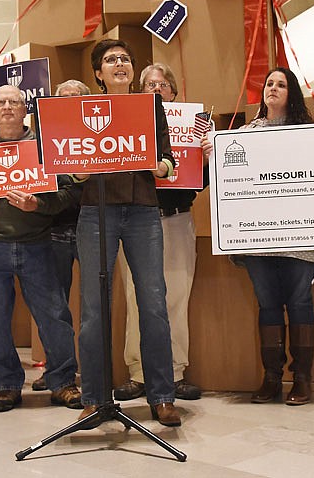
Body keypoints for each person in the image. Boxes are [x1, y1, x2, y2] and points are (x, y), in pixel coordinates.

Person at [0, 85, 82, 412]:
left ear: (26, 110)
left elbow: (70, 193)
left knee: (54, 316)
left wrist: (39, 204)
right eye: (1, 102)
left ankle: (63, 382)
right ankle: (7, 384)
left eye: (15, 101)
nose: (8, 107)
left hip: (38, 243)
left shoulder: (44, 146)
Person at [75, 40, 180, 427]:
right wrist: (78, 172)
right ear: (98, 74)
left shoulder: (151, 106)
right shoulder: (82, 110)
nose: (119, 63)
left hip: (142, 211)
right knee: (93, 309)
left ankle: (162, 396)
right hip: (95, 210)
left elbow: (169, 158)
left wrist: (161, 166)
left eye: (125, 58)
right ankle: (95, 399)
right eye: (110, 60)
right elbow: (70, 164)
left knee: (153, 302)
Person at [229, 67, 314, 405]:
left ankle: (302, 379)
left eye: (281, 84)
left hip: (301, 236)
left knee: (299, 301)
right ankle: (271, 378)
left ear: (292, 93)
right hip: (258, 237)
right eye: (269, 83)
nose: (272, 88)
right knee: (268, 304)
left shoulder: (309, 134)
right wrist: (214, 154)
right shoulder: (243, 135)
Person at [114, 63, 207, 402]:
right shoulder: (129, 121)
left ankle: (175, 370)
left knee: (177, 296)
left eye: (162, 84)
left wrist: (206, 157)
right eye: (149, 84)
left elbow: (201, 181)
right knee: (136, 296)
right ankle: (138, 373)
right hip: (138, 218)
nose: (155, 89)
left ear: (173, 91)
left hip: (177, 217)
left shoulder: (192, 127)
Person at [31, 79, 90, 393]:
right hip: (52, 230)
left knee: (94, 305)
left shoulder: (97, 131)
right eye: (62, 97)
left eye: (76, 97)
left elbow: (75, 183)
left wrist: (66, 183)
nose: (68, 101)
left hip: (90, 227)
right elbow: (43, 178)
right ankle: (58, 371)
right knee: (54, 308)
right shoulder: (42, 137)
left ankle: (95, 372)